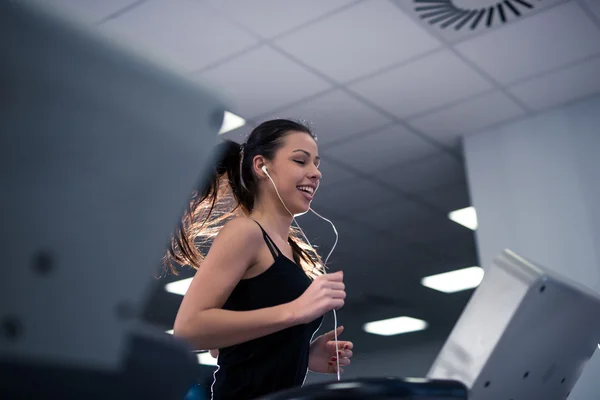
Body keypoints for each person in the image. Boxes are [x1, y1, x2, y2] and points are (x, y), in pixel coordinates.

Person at [165, 119, 354, 400]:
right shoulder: (245, 232)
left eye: (316, 163)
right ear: (261, 166)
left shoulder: (290, 250)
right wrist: (295, 311)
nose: (316, 173)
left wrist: (304, 352)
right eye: (301, 161)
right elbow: (187, 330)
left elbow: (223, 347)